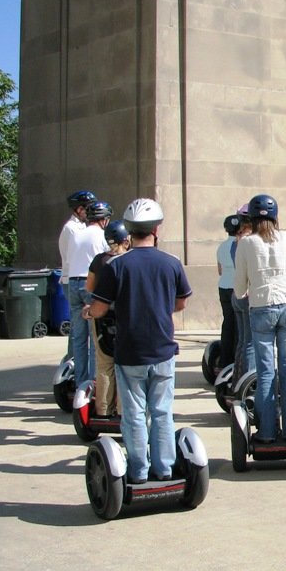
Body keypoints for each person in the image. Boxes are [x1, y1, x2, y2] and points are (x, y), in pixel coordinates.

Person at [89, 198, 192, 484]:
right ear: (156, 229)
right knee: (162, 411)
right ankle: (165, 468)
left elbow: (99, 308)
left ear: (129, 231)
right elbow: (181, 303)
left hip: (130, 350)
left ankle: (138, 471)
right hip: (162, 348)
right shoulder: (171, 263)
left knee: (134, 414)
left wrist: (90, 311)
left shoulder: (116, 266)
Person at [234, 194, 286, 442]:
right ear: (276, 216)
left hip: (261, 309)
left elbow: (238, 287)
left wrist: (248, 291)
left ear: (252, 219)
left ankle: (266, 433)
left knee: (266, 373)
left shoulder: (246, 243)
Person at [84, 219, 130, 418]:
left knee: (104, 363)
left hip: (101, 316)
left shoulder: (99, 260)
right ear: (125, 240)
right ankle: (122, 409)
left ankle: (102, 409)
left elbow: (89, 287)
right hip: (124, 316)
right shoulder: (128, 262)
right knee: (124, 362)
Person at [67, 200, 113, 387]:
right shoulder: (102, 236)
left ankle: (80, 381)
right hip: (90, 283)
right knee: (96, 337)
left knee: (78, 337)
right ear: (104, 220)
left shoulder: (76, 234)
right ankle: (94, 383)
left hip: (73, 283)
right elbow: (107, 261)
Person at [59, 190, 95, 357]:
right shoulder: (71, 229)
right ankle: (72, 361)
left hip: (78, 277)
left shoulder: (82, 227)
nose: (89, 212)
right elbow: (71, 258)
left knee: (79, 328)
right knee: (78, 329)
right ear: (79, 209)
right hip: (74, 279)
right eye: (87, 208)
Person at [230, 204, 255, 390]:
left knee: (242, 342)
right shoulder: (249, 242)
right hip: (247, 294)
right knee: (250, 344)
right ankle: (249, 384)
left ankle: (237, 382)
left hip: (236, 293)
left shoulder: (235, 241)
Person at [216, 213, 242, 372]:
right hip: (237, 288)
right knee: (240, 327)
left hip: (224, 286)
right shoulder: (241, 245)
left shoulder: (221, 247)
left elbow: (219, 270)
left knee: (227, 324)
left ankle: (224, 361)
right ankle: (237, 361)